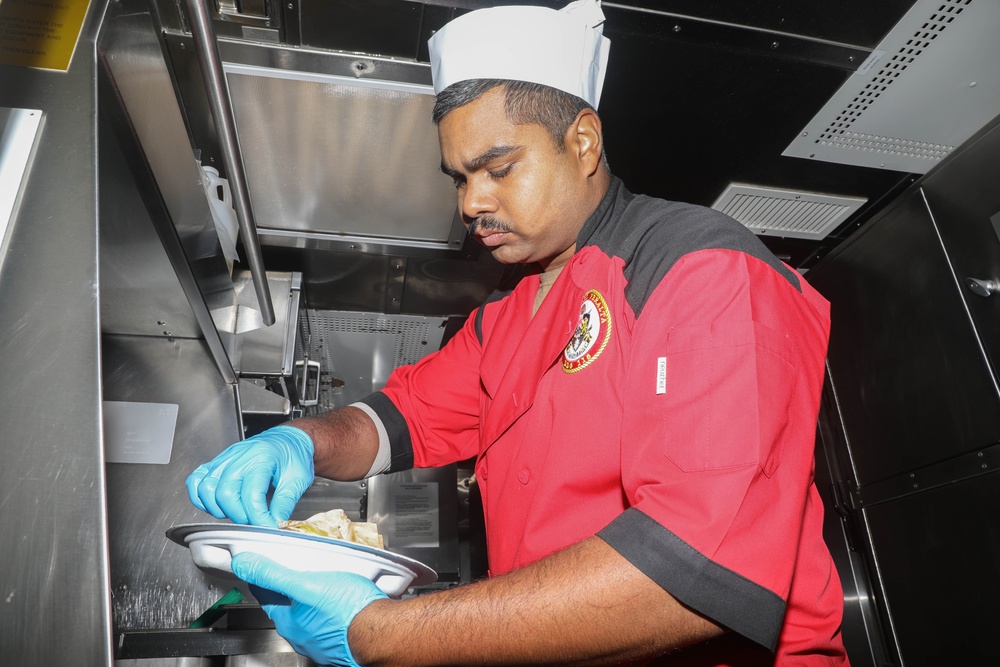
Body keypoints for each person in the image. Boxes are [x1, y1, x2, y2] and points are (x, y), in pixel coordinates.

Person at [186, 1, 850, 665]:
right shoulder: (506, 317)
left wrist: (381, 633)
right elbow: (398, 419)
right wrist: (298, 441)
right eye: (461, 178)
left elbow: (694, 578)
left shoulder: (701, 268)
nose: (470, 203)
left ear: (583, 142)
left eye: (498, 168)